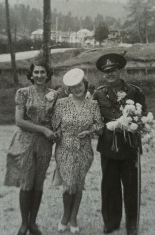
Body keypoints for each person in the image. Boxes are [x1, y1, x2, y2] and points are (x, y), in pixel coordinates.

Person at [93, 53, 147, 235]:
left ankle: (132, 224)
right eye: (106, 71)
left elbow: (144, 116)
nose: (110, 74)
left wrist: (133, 125)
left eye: (113, 70)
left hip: (130, 145)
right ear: (103, 73)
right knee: (109, 186)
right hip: (108, 146)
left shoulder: (134, 91)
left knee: (132, 186)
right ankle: (111, 222)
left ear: (120, 70)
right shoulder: (98, 93)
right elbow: (94, 118)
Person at [4, 60, 58, 235]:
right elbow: (19, 121)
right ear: (31, 74)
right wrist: (43, 129)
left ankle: (33, 222)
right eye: (36, 72)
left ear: (48, 74)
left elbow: (57, 119)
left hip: (45, 144)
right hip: (26, 142)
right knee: (27, 182)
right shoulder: (23, 93)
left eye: (43, 72)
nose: (40, 75)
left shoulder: (54, 94)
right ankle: (24, 223)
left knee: (38, 183)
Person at [52, 68, 103, 234]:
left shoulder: (93, 105)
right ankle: (65, 216)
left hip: (84, 150)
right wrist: (57, 132)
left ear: (85, 85)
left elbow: (100, 126)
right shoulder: (61, 104)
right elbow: (54, 124)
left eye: (80, 85)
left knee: (78, 185)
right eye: (74, 87)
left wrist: (89, 131)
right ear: (69, 89)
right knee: (68, 185)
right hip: (65, 149)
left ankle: (73, 217)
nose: (78, 89)